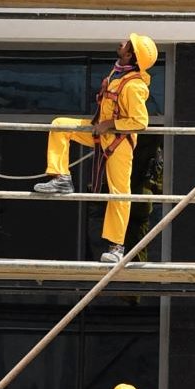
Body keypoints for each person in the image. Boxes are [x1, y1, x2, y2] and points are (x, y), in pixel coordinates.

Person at [34, 32, 156, 266]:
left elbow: (140, 122)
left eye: (126, 44)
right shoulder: (118, 74)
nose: (121, 43)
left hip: (119, 143)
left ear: (131, 55)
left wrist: (109, 125)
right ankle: (61, 177)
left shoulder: (134, 86)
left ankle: (116, 247)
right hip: (102, 134)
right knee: (60, 125)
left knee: (120, 193)